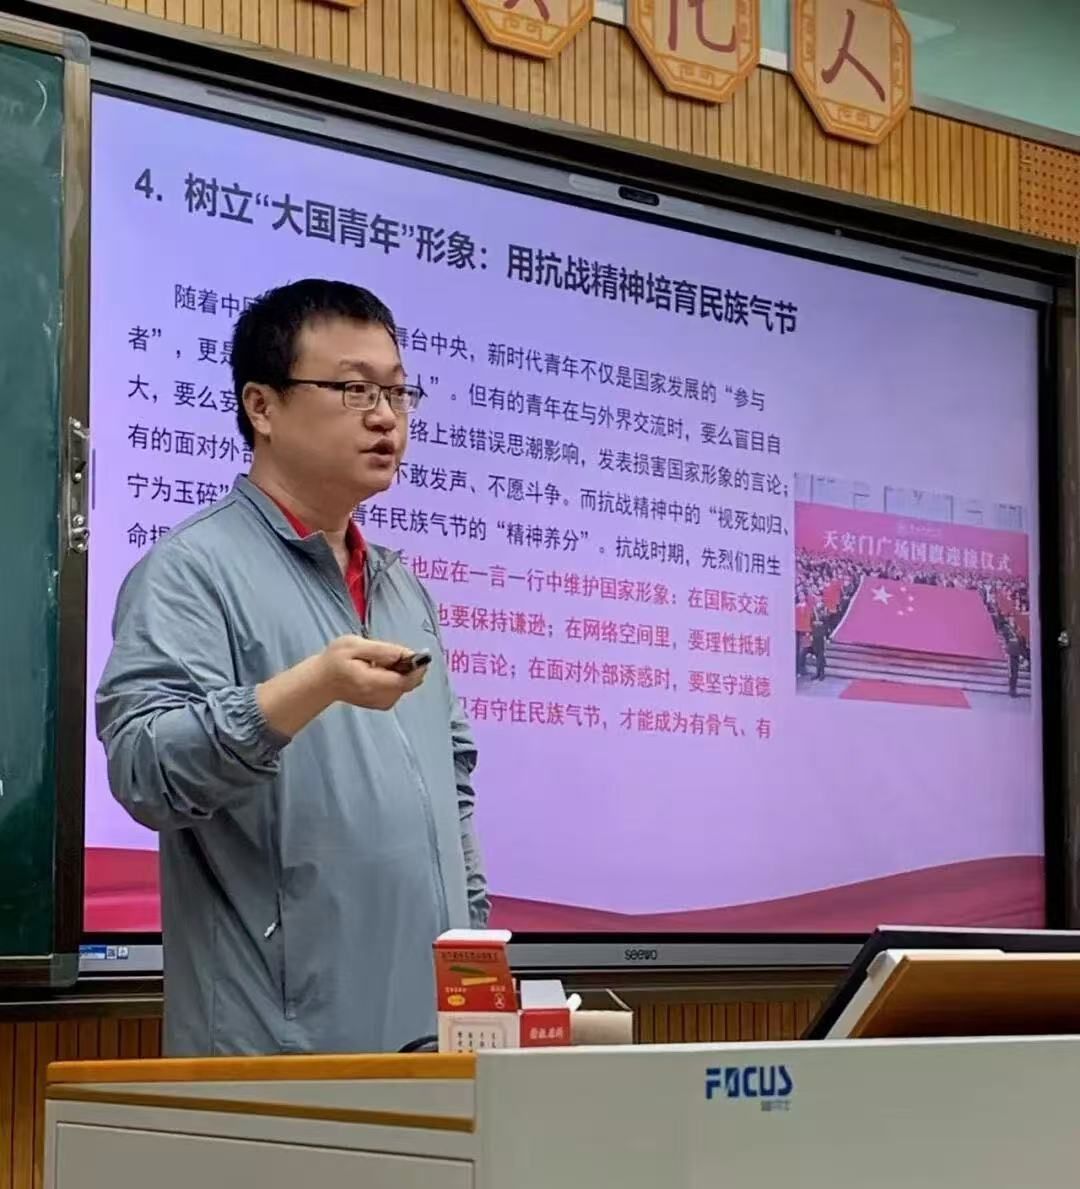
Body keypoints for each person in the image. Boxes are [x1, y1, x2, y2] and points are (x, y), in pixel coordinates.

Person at [97, 279, 489, 1057]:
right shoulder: (191, 570)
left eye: (397, 391)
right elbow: (144, 769)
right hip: (277, 1058)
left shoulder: (402, 588)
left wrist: (478, 974)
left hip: (430, 1049)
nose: (386, 416)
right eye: (353, 389)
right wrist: (311, 686)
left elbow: (454, 791)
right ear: (262, 406)